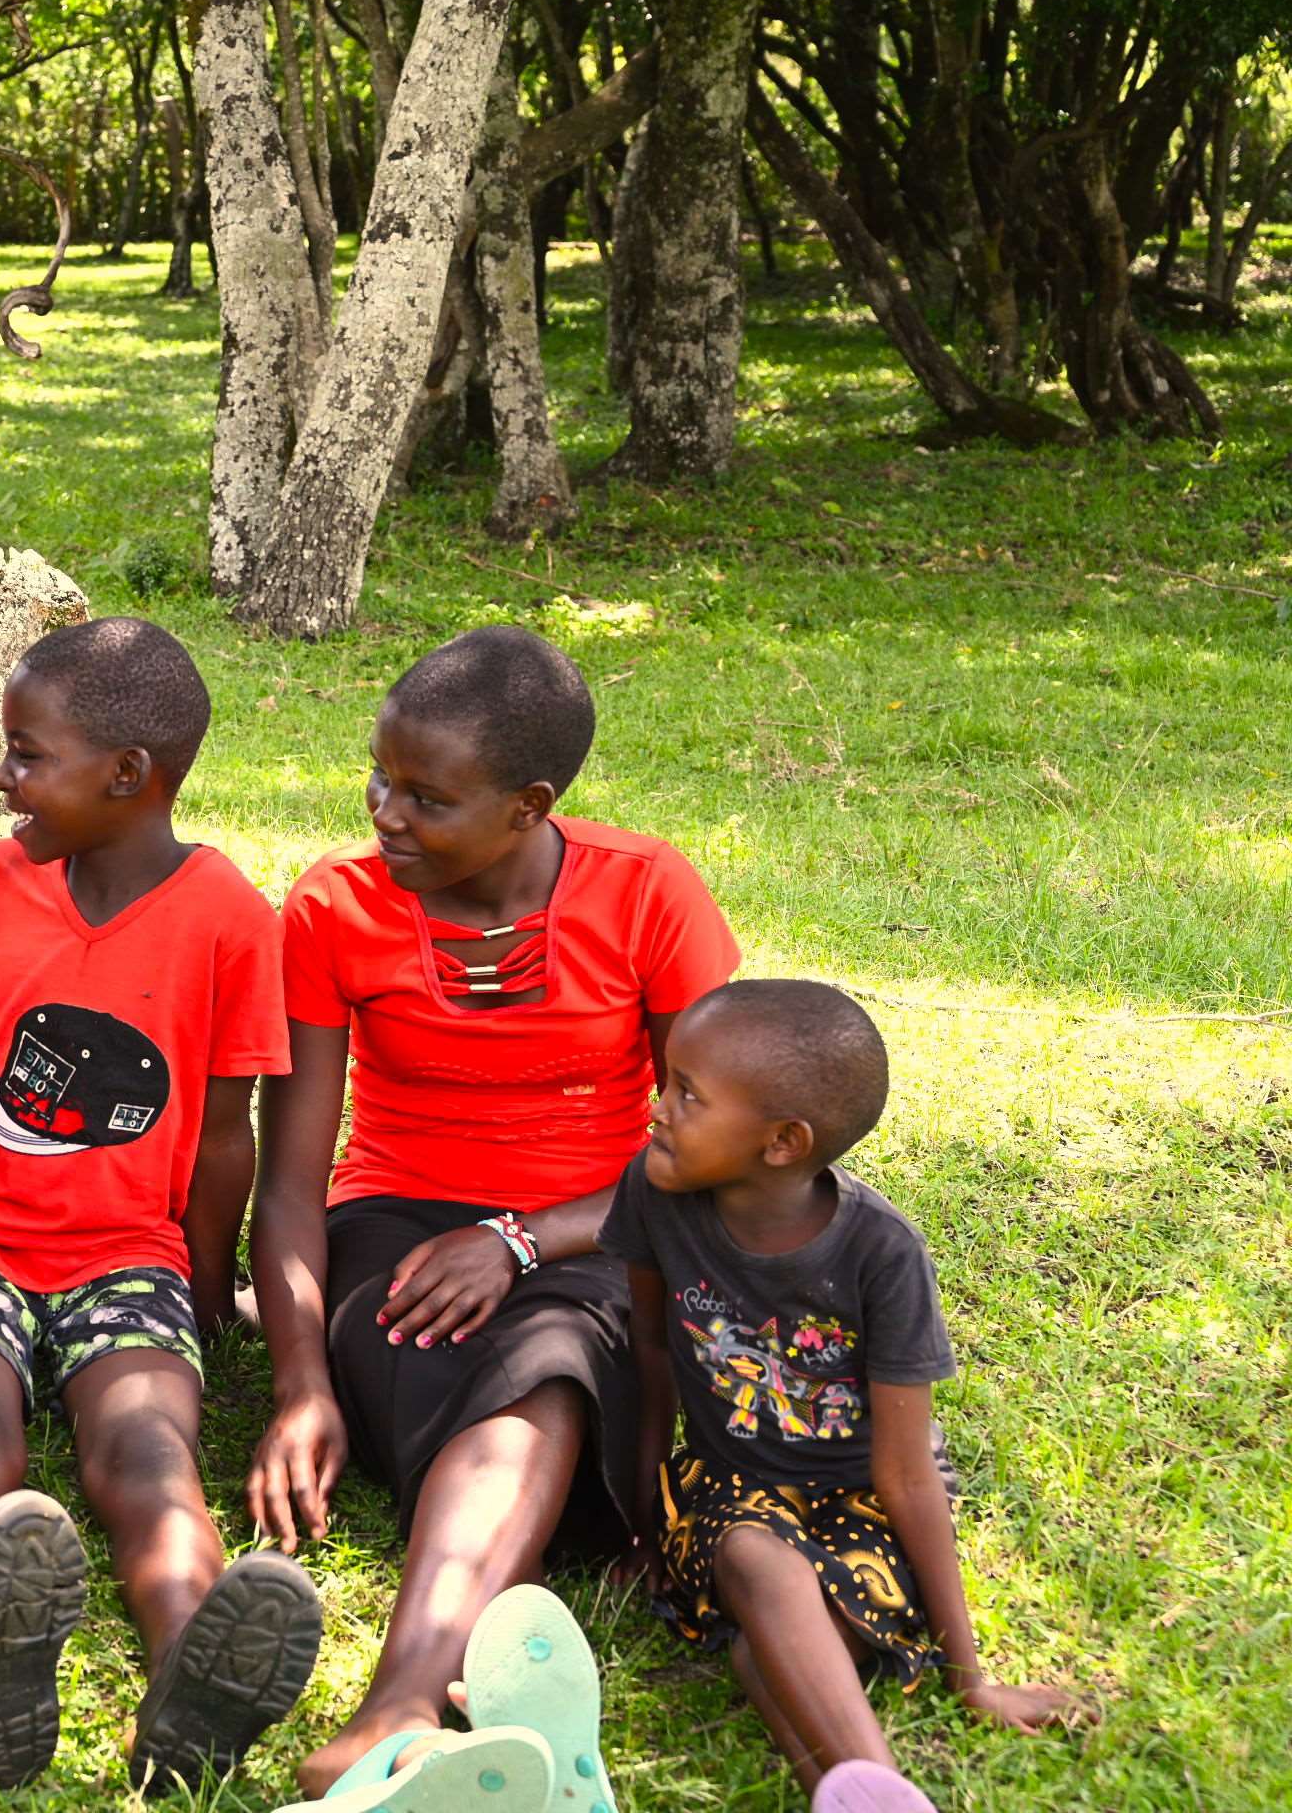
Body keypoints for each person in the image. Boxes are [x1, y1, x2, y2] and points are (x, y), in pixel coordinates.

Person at [249, 625, 742, 1802]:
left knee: (556, 1352)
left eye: (428, 796)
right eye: (379, 775)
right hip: (396, 1228)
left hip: (603, 1221)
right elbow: (292, 1181)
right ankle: (435, 1697)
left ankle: (400, 1702)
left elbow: (714, 1151)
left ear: (529, 806)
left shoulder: (647, 892)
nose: (386, 812)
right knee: (487, 1363)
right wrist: (300, 1380)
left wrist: (519, 1238)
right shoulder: (333, 910)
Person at [0, 617, 318, 1792]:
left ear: (128, 777)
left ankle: (191, 1674)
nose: (1, 778)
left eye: (26, 753)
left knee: (148, 1453)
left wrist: (205, 1292)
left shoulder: (227, 919)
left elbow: (222, 1141)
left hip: (128, 1257)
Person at [607, 980, 1095, 1809]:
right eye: (668, 1081)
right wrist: (648, 1526)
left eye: (687, 1093)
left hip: (865, 1501)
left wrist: (969, 1676)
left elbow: (906, 1476)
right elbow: (650, 1353)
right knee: (756, 1564)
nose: (658, 1108)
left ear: (782, 1142)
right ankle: (886, 1795)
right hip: (734, 1496)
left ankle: (865, 1796)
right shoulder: (655, 1193)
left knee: (765, 1657)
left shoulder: (882, 1253)